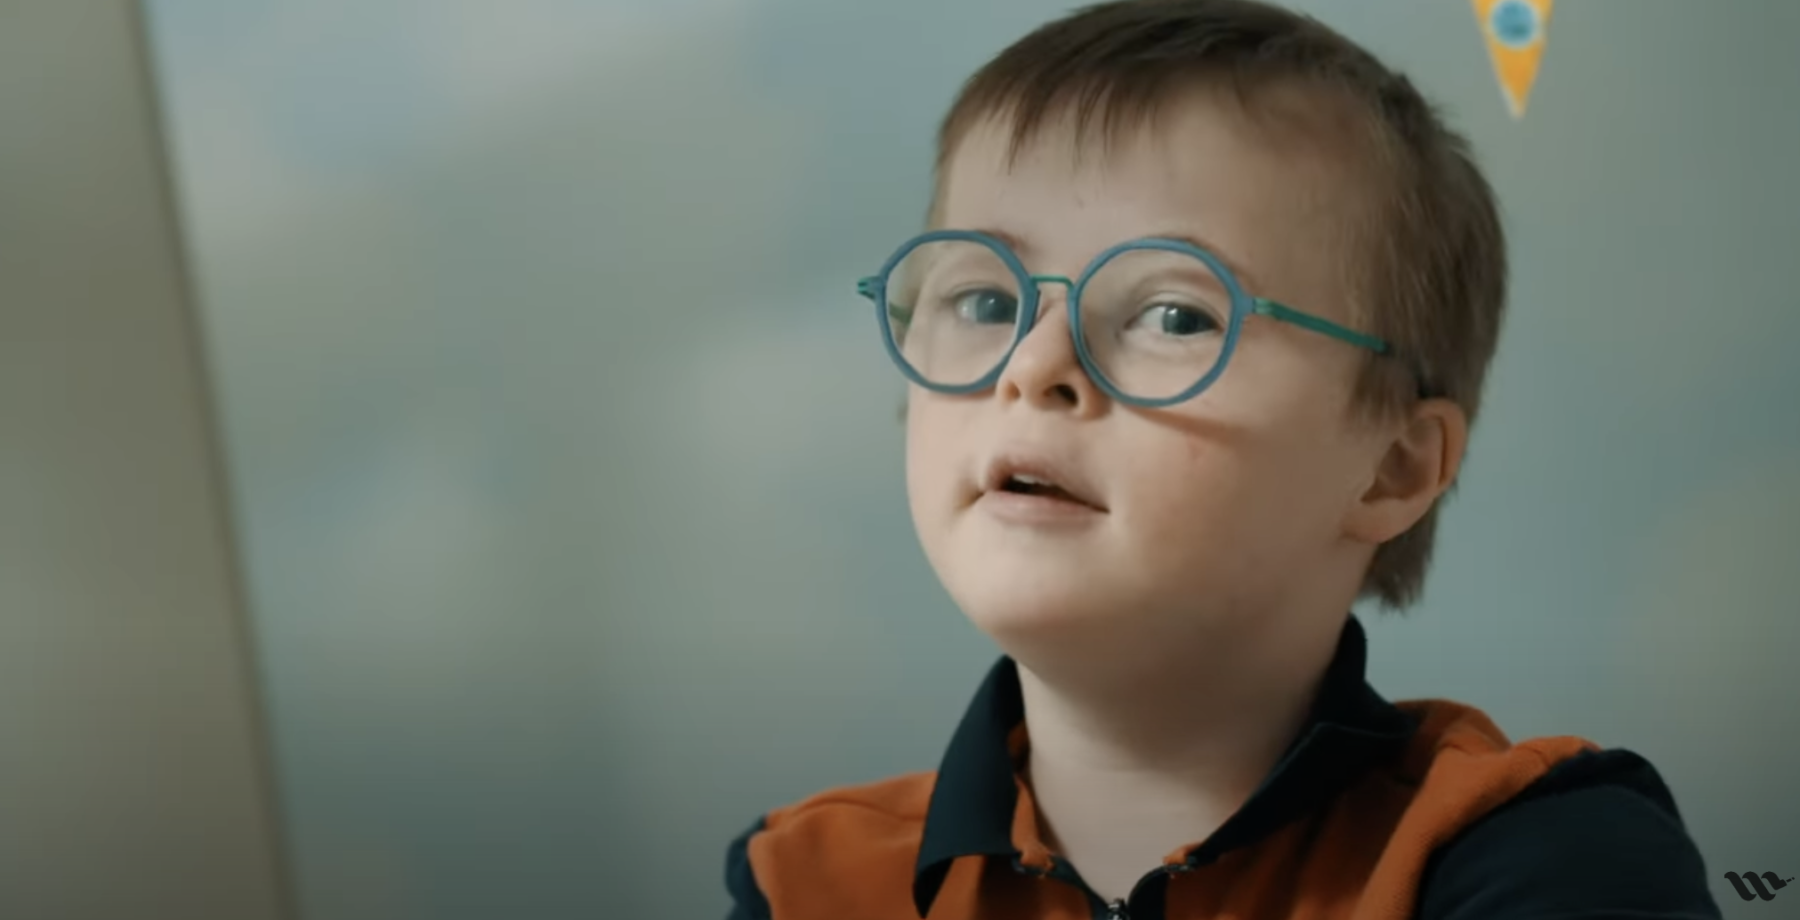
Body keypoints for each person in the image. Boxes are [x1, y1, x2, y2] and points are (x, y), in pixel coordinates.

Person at [723, 1, 1720, 917]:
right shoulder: (809, 879)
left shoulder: (1546, 855)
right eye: (985, 300)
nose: (1032, 367)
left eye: (1174, 313)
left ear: (1392, 468)